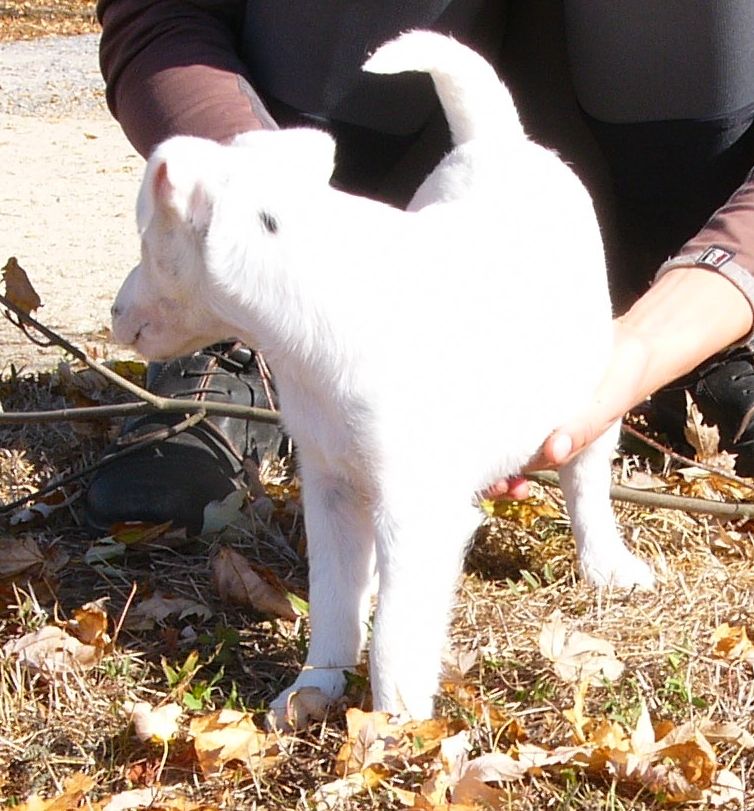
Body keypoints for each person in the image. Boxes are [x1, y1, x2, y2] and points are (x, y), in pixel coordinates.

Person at [86, 0, 754, 530]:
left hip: (660, 223)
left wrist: (658, 334)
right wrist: (252, 218)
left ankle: (707, 343)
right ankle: (248, 338)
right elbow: (160, 14)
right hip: (365, 203)